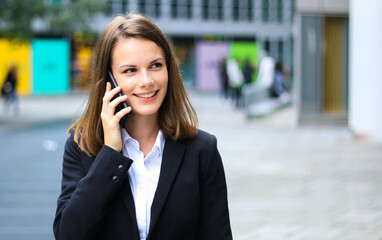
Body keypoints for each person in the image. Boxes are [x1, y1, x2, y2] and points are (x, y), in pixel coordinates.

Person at [53, 13, 232, 240]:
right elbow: (68, 234)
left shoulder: (202, 150)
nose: (146, 80)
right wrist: (109, 153)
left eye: (155, 65)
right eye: (130, 70)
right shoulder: (82, 146)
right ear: (109, 79)